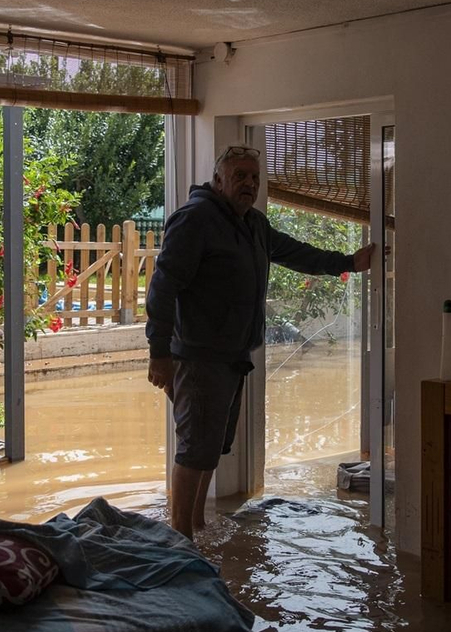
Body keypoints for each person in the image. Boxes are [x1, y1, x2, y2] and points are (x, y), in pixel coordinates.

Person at [145, 145, 375, 539]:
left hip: (231, 356)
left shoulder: (252, 223)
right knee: (194, 448)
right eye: (240, 176)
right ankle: (180, 540)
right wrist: (159, 353)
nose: (249, 184)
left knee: (210, 447)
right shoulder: (195, 220)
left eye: (254, 177)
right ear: (218, 180)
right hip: (198, 358)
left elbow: (294, 253)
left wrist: (347, 262)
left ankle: (197, 525)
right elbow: (161, 289)